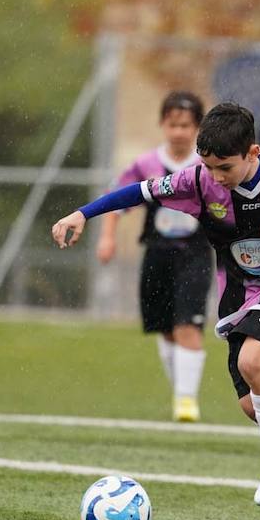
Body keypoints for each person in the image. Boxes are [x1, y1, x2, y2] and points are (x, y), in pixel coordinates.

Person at [53, 103, 260, 507]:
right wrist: (82, 213)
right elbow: (140, 190)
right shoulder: (199, 180)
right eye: (209, 167)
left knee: (252, 364)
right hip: (237, 294)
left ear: (253, 153)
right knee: (254, 405)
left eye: (225, 168)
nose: (216, 178)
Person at [95, 91, 210, 423]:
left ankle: (186, 402)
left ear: (197, 128)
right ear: (163, 124)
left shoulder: (205, 166)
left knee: (187, 324)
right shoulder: (147, 165)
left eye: (186, 125)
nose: (178, 132)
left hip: (195, 254)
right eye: (173, 124)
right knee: (166, 329)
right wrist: (107, 237)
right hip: (157, 254)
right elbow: (116, 199)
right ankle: (180, 391)